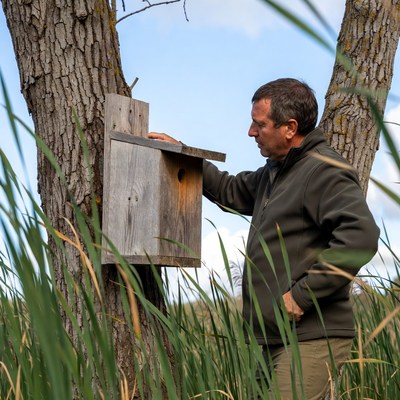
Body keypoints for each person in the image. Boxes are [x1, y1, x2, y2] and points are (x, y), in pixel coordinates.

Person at [148, 78, 380, 399]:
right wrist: (185, 155)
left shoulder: (323, 170)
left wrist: (301, 297)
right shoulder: (276, 171)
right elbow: (230, 189)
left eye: (260, 124)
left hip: (310, 337)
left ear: (289, 127)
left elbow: (361, 238)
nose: (251, 132)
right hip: (271, 338)